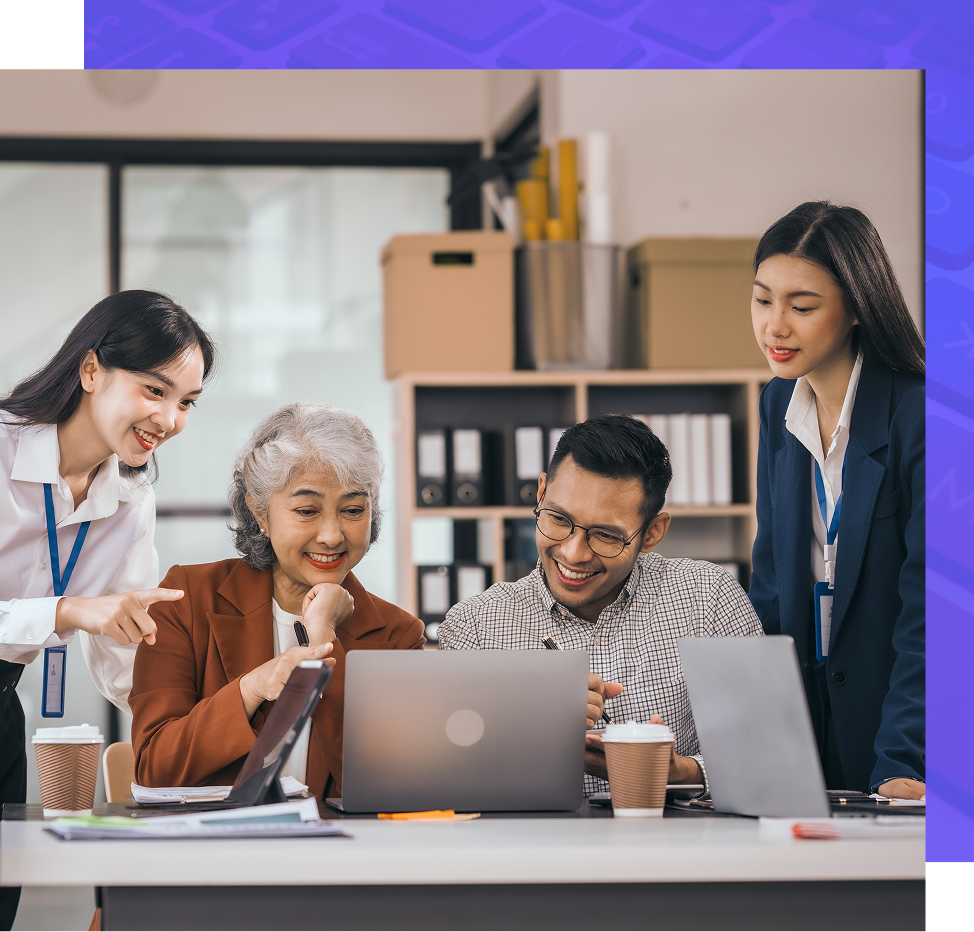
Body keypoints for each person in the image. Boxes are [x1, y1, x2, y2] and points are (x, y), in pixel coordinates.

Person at [0, 291, 214, 931]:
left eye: (187, 403)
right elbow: (86, 613)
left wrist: (202, 722)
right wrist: (67, 611)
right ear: (91, 371)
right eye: (156, 390)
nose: (170, 419)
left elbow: (125, 649)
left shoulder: (129, 495)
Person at [437, 414, 763, 796]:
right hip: (528, 850)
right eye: (559, 519)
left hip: (678, 848)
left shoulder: (708, 597)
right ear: (540, 494)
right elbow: (445, 776)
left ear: (652, 533)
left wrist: (677, 772)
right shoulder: (475, 625)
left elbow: (769, 754)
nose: (573, 554)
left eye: (606, 535)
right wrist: (531, 730)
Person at [130, 403, 424, 800]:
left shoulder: (398, 634)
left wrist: (323, 635)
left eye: (353, 510)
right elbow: (155, 768)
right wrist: (251, 688)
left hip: (342, 855)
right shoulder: (187, 598)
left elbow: (394, 783)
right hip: (216, 852)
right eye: (307, 510)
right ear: (259, 511)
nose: (332, 535)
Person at [747, 201, 925, 799]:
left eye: (801, 306)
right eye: (762, 299)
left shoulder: (922, 416)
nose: (775, 326)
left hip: (902, 738)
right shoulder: (778, 406)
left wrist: (904, 759)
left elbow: (932, 613)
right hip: (811, 730)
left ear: (855, 308)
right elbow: (772, 581)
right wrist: (760, 741)